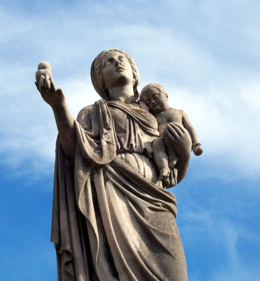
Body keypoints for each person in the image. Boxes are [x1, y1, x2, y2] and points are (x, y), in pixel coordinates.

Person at [35, 49, 192, 281]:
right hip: (112, 195)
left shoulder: (157, 115)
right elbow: (75, 152)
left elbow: (172, 171)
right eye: (108, 62)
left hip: (155, 197)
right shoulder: (93, 112)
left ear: (135, 73)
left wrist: (185, 152)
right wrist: (57, 106)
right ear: (101, 81)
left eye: (122, 60)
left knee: (174, 273)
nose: (117, 63)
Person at [140, 83, 203, 187]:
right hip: (163, 144)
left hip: (179, 138)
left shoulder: (179, 112)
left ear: (166, 95)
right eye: (148, 101)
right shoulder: (153, 118)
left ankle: (173, 156)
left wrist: (196, 144)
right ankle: (164, 167)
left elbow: (190, 128)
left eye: (155, 97)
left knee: (170, 129)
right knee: (157, 144)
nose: (152, 102)